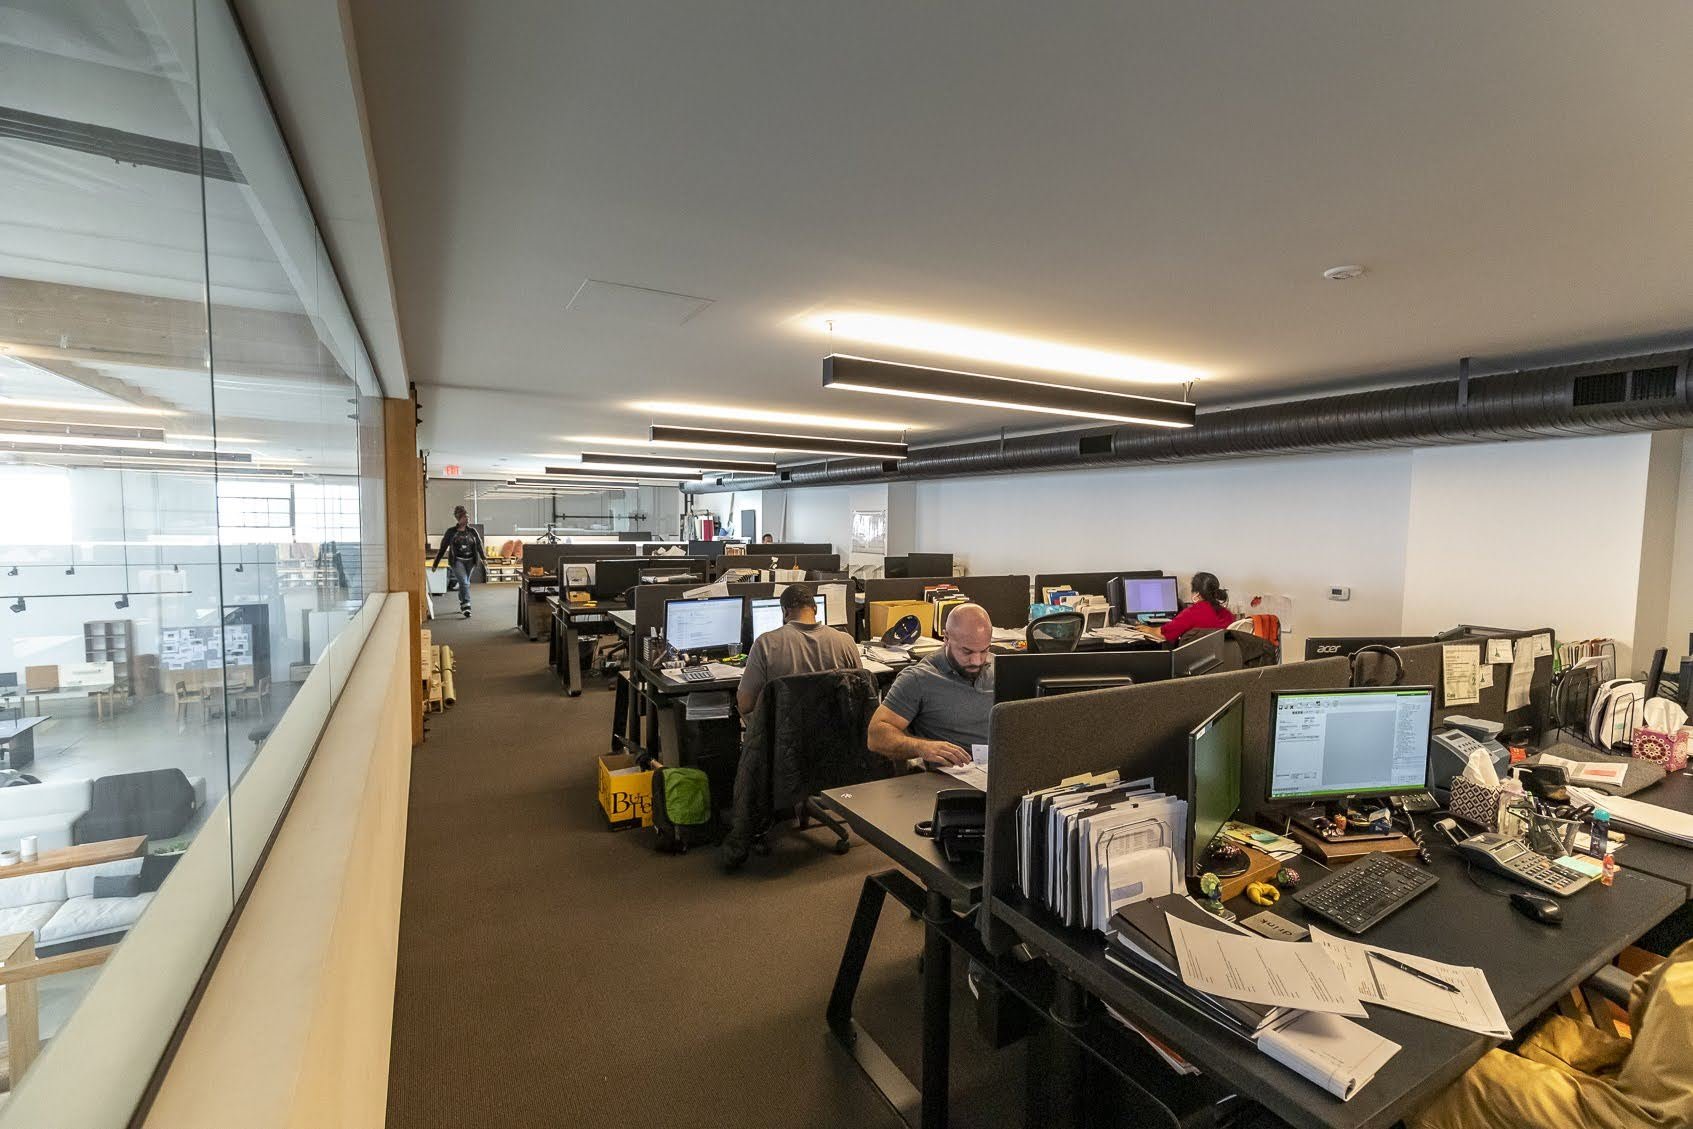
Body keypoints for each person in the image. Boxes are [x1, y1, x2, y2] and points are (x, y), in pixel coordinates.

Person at [1408, 938, 1693, 1128]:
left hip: (1640, 1117)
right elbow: (1650, 993)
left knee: (1432, 1068)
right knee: (1538, 1029)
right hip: (1652, 1076)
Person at [869, 603, 994, 766]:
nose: (977, 661)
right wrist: (921, 747)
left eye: (984, 650)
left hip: (1002, 771)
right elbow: (876, 736)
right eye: (967, 652)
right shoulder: (918, 678)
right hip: (954, 776)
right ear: (946, 638)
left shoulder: (1001, 668)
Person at [736, 584, 861, 715]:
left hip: (784, 733)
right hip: (835, 731)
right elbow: (861, 691)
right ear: (815, 609)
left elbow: (745, 704)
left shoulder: (765, 644)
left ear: (785, 611)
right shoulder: (846, 641)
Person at [431, 506, 484, 618]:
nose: (467, 518)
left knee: (465, 583)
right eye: (465, 516)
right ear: (459, 519)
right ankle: (466, 606)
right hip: (457, 561)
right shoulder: (451, 532)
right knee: (464, 583)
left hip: (470, 561)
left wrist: (484, 558)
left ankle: (462, 599)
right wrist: (436, 563)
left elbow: (479, 545)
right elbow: (443, 548)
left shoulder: (472, 531)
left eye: (468, 516)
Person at [1160, 571, 1236, 642]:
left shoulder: (1191, 613)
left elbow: (1162, 634)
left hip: (1190, 656)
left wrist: (1147, 629)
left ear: (1197, 594)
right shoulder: (1229, 615)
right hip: (1218, 656)